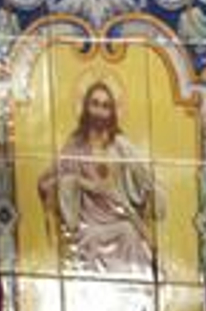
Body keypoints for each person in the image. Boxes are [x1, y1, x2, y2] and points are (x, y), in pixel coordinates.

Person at [38, 79, 163, 277]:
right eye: (94, 104)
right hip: (87, 226)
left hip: (119, 218)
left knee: (128, 231)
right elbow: (45, 181)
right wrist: (76, 182)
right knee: (91, 238)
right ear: (86, 107)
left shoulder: (121, 146)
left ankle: (133, 287)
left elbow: (147, 178)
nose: (99, 111)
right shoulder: (74, 147)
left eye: (105, 106)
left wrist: (152, 195)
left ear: (112, 112)